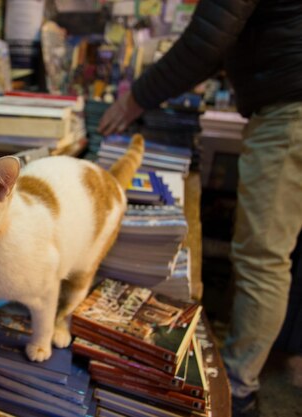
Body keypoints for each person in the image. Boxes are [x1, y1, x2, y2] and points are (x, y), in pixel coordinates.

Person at [97, 1, 302, 416]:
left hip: (289, 110)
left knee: (263, 257)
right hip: (289, 99)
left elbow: (206, 41)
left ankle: (236, 391)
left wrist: (134, 99)